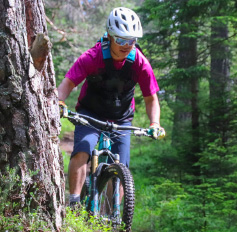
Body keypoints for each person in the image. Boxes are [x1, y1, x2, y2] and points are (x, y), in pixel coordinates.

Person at [58, 7, 165, 206]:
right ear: (109, 35)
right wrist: (59, 102)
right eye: (121, 40)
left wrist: (155, 123)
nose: (127, 45)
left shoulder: (140, 63)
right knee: (83, 149)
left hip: (121, 117)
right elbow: (68, 83)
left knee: (121, 165)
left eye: (131, 40)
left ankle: (111, 215)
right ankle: (73, 203)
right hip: (90, 114)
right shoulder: (92, 57)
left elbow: (151, 98)